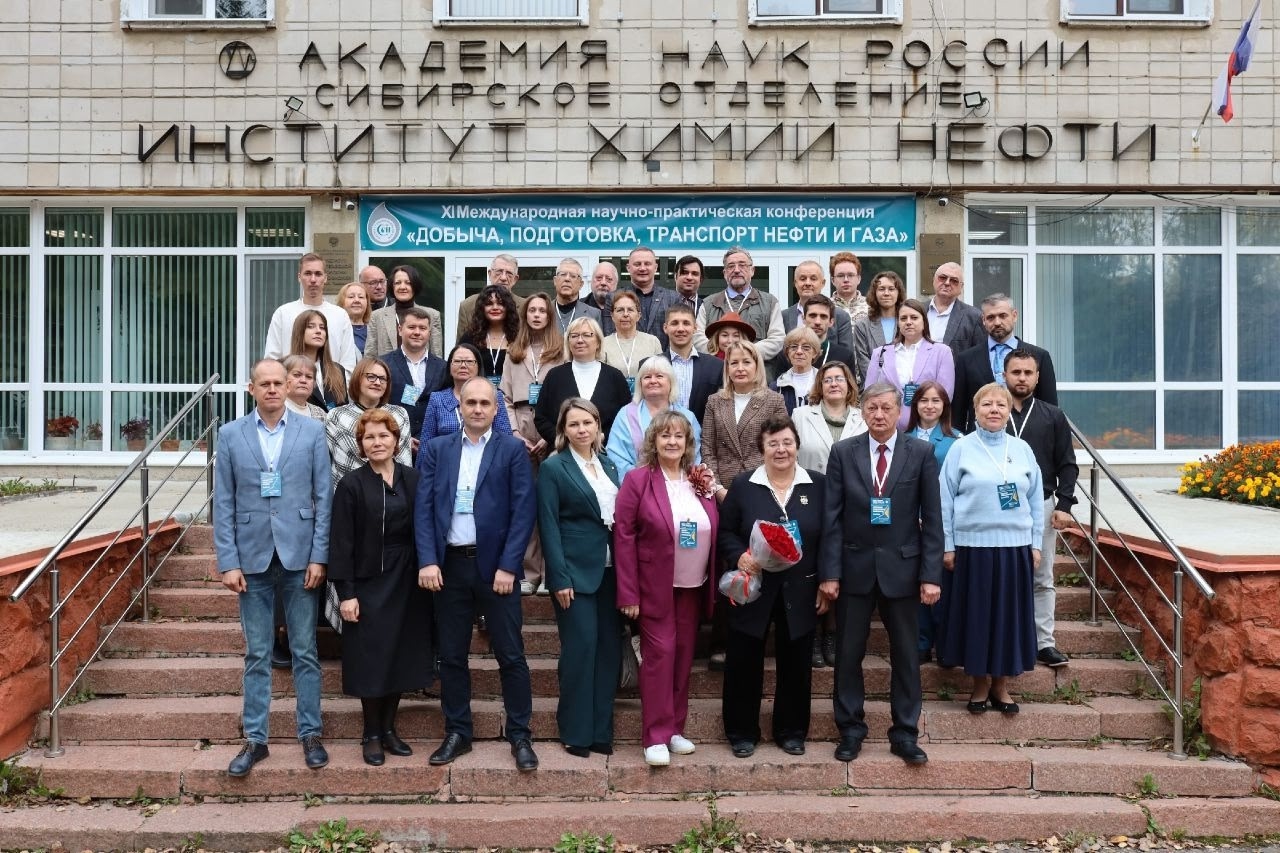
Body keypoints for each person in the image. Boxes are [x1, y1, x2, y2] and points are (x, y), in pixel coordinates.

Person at [213, 359, 331, 777]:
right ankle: (255, 740)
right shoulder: (230, 435)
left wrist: (319, 556)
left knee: (305, 651)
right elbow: (223, 502)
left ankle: (310, 733)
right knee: (258, 653)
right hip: (252, 558)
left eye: (278, 382)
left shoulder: (312, 432)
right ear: (251, 388)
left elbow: (324, 497)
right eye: (264, 383)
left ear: (287, 386)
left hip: (300, 556)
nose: (272, 389)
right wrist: (228, 562)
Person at [415, 377, 539, 771]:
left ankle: (520, 734)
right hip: (449, 567)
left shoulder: (511, 450)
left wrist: (509, 566)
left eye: (486, 403)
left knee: (511, 654)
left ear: (496, 409)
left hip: (495, 569)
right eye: (471, 402)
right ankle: (458, 732)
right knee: (451, 655)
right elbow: (424, 508)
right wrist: (428, 560)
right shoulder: (438, 449)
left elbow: (523, 511)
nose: (478, 409)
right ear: (460, 408)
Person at [818, 381, 942, 766]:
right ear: (862, 410)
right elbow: (831, 518)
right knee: (848, 654)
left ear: (899, 411)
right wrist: (830, 572)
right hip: (853, 567)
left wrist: (931, 575)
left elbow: (933, 519)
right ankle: (850, 730)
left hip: (903, 569)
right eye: (872, 408)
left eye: (887, 408)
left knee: (906, 655)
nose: (879, 415)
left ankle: (905, 733)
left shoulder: (921, 453)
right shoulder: (843, 452)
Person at [717, 416, 826, 758]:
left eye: (787, 442)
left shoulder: (818, 485)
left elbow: (829, 536)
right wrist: (739, 556)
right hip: (754, 585)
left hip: (801, 587)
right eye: (773, 444)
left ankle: (791, 731)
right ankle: (741, 731)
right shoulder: (743, 485)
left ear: (797, 446)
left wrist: (827, 580)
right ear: (762, 449)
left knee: (796, 662)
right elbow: (725, 532)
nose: (781, 450)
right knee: (744, 659)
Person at [615, 411, 718, 767]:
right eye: (665, 436)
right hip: (654, 587)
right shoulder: (637, 480)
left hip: (693, 585)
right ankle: (655, 735)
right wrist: (628, 593)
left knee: (684, 657)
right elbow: (623, 537)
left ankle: (674, 729)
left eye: (679, 436)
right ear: (654, 441)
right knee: (660, 657)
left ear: (688, 443)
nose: (672, 441)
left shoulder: (698, 479)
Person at [329, 409, 432, 766]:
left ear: (396, 441)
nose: (377, 442)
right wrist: (346, 594)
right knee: (372, 657)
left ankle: (389, 729)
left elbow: (426, 526)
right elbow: (341, 542)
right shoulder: (351, 485)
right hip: (368, 581)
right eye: (369, 437)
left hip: (408, 580)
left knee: (400, 654)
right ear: (360, 445)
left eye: (384, 436)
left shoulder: (413, 478)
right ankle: (371, 733)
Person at [938, 382, 1044, 715]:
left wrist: (1036, 544)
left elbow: (1036, 499)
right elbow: (944, 500)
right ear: (975, 410)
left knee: (1007, 620)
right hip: (973, 549)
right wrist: (948, 545)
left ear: (1009, 410)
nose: (994, 409)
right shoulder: (961, 448)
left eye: (1001, 404)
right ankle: (979, 685)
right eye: (987, 404)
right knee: (978, 618)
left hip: (1015, 549)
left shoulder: (1022, 449)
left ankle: (1001, 685)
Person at [537, 398, 623, 758]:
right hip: (574, 573)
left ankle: (600, 732)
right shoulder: (553, 467)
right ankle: (575, 732)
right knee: (580, 650)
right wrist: (558, 578)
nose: (582, 429)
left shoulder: (609, 464)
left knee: (608, 651)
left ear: (598, 426)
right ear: (564, 430)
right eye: (573, 424)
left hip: (611, 573)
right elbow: (548, 525)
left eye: (587, 422)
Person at [1003, 350, 1078, 669]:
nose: (1021, 378)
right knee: (1002, 575)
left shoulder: (1053, 416)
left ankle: (1044, 642)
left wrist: (1064, 504)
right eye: (1015, 372)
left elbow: (1068, 464)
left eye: (1027, 373)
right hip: (996, 508)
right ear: (1004, 375)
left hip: (1042, 505)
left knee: (1042, 576)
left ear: (1037, 378)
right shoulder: (991, 411)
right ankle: (1006, 639)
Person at [792, 360, 867, 669]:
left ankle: (832, 633)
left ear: (850, 385)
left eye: (840, 379)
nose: (834, 384)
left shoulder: (863, 418)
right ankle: (811, 634)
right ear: (819, 386)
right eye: (828, 379)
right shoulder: (800, 415)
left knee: (839, 567)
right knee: (811, 565)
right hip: (810, 498)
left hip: (851, 503)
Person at [501, 292, 565, 596]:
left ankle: (552, 572)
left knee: (551, 505)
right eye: (532, 310)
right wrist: (515, 433)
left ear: (549, 317)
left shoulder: (560, 352)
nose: (537, 314)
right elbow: (504, 397)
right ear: (525, 315)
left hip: (551, 428)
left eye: (542, 310)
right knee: (525, 503)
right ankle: (530, 572)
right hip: (521, 426)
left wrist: (547, 437)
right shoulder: (514, 352)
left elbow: (566, 398)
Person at [905, 380, 960, 663]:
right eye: (924, 400)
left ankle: (945, 644)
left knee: (940, 583)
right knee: (916, 583)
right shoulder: (901, 437)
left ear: (944, 406)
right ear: (915, 405)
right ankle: (921, 642)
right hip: (909, 523)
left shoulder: (957, 441)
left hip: (942, 522)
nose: (929, 406)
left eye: (936, 401)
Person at [952, 293, 1059, 433]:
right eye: (991, 317)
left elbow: (1049, 407)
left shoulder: (1040, 356)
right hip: (980, 438)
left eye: (1003, 316)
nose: (997, 322)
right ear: (983, 320)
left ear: (1014, 316)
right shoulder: (966, 359)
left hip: (1028, 436)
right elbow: (958, 412)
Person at [702, 340, 789, 504]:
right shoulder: (714, 401)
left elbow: (782, 446)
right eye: (734, 363)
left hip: (764, 487)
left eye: (746, 362)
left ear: (757, 366)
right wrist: (718, 489)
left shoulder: (774, 401)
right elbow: (708, 449)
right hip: (724, 490)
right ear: (727, 368)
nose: (740, 368)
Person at [534, 317, 632, 446]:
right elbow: (541, 417)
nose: (580, 340)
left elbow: (626, 416)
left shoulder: (615, 376)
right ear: (568, 342)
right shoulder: (555, 376)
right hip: (563, 451)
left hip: (605, 450)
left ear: (598, 342)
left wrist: (603, 437)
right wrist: (564, 440)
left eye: (587, 335)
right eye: (574, 336)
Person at [864, 298, 955, 430]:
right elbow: (869, 394)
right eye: (903, 318)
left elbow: (945, 395)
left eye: (914, 317)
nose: (908, 322)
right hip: (888, 427)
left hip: (926, 427)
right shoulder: (880, 353)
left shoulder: (942, 352)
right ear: (898, 324)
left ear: (924, 322)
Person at [605, 356, 702, 479]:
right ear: (640, 383)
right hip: (637, 485)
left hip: (679, 484)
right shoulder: (625, 414)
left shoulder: (687, 416)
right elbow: (617, 457)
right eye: (647, 377)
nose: (653, 381)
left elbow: (694, 457)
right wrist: (643, 482)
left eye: (659, 376)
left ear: (671, 382)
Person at [324, 356, 413, 488]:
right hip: (350, 493)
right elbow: (330, 463)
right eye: (371, 377)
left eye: (382, 378)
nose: (377, 382)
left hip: (391, 491)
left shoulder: (399, 414)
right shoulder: (336, 416)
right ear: (357, 379)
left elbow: (404, 460)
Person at [264, 253, 358, 373]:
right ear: (299, 277)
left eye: (318, 274)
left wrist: (339, 384)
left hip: (330, 383)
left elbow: (348, 362)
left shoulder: (340, 315)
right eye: (308, 273)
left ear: (325, 278)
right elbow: (272, 359)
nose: (313, 280)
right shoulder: (283, 313)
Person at [694, 247, 785, 363]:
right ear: (725, 273)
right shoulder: (708, 303)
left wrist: (744, 352)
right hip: (718, 370)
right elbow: (697, 337)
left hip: (759, 372)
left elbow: (777, 339)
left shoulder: (770, 302)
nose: (736, 270)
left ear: (752, 270)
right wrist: (719, 354)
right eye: (731, 266)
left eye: (742, 265)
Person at [383, 306, 448, 453]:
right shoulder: (383, 364)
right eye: (411, 327)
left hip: (432, 446)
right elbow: (378, 406)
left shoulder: (443, 367)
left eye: (422, 328)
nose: (417, 332)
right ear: (400, 330)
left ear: (429, 333)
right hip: (394, 445)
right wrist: (402, 438)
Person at [419, 343, 514, 444]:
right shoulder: (437, 399)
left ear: (478, 367)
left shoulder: (495, 395)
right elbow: (426, 443)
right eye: (457, 361)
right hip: (445, 454)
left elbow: (506, 438)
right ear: (449, 367)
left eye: (469, 361)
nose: (463, 365)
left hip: (488, 453)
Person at [662, 303, 724, 423]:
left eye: (686, 323)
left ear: (695, 328)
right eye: (674, 323)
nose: (680, 329)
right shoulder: (651, 365)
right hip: (661, 432)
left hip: (703, 433)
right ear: (665, 328)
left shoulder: (716, 366)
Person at [366, 265, 444, 360]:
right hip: (386, 369)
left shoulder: (432, 315)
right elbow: (369, 357)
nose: (402, 287)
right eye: (398, 283)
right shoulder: (377, 316)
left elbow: (436, 357)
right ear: (392, 286)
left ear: (415, 286)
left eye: (408, 283)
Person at [780, 260, 853, 351]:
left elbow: (846, 354)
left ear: (823, 283)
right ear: (795, 283)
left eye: (813, 279)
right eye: (803, 279)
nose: (807, 283)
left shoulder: (840, 316)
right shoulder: (784, 316)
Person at [852, 271, 906, 391]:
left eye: (891, 289)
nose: (886, 293)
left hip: (904, 388)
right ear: (874, 293)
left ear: (899, 293)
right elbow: (864, 364)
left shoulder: (907, 323)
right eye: (881, 289)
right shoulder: (862, 326)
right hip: (874, 390)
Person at [455, 253, 526, 343]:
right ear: (490, 274)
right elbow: (461, 347)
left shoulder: (526, 306)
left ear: (515, 279)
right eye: (499, 272)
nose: (503, 277)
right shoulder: (468, 305)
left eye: (509, 273)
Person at [601, 290, 663, 392]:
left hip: (646, 398)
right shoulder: (603, 344)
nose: (625, 314)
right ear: (612, 316)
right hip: (613, 397)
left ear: (638, 316)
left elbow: (661, 376)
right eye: (620, 310)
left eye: (630, 310)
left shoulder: (652, 342)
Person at [289, 309, 347, 411]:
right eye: (311, 326)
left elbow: (343, 410)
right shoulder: (285, 367)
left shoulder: (338, 370)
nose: (318, 331)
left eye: (322, 327)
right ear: (299, 332)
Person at [462, 283, 521, 383]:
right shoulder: (470, 337)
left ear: (508, 307)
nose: (495, 307)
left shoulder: (520, 336)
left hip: (511, 392)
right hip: (477, 390)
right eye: (489, 304)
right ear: (482, 308)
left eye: (500, 303)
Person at [924, 261, 984, 357]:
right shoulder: (917, 311)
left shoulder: (974, 317)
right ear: (934, 280)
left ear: (961, 287)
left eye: (954, 280)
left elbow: (980, 354)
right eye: (942, 278)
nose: (947, 283)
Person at [626, 246, 680, 348]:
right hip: (626, 357)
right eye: (637, 264)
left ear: (655, 267)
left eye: (647, 264)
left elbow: (677, 334)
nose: (642, 268)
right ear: (628, 268)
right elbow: (610, 334)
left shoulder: (673, 298)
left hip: (664, 357)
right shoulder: (614, 298)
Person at [772, 326, 822, 415]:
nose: (799, 351)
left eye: (806, 348)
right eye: (794, 347)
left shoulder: (824, 383)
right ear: (787, 352)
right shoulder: (776, 387)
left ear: (815, 353)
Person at [801, 295, 857, 375]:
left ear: (831, 322)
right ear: (803, 319)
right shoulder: (790, 354)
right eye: (812, 316)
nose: (817, 322)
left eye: (823, 316)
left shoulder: (845, 356)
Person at [551, 259, 601, 335]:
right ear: (555, 281)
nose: (567, 279)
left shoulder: (593, 314)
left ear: (581, 284)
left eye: (573, 276)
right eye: (563, 274)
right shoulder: (544, 311)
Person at [282, 355, 327, 422]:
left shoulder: (321, 414)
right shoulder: (275, 409)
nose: (303, 380)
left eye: (309, 377)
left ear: (314, 383)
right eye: (297, 375)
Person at [830, 251, 870, 324]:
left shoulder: (871, 307)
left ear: (859, 279)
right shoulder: (824, 307)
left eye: (850, 275)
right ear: (833, 280)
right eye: (840, 275)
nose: (846, 280)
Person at [584, 261, 618, 336]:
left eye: (609, 279)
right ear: (591, 281)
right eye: (599, 278)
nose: (603, 283)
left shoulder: (623, 309)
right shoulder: (579, 307)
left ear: (616, 284)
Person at [337, 282, 370, 355]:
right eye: (351, 297)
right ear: (342, 302)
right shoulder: (335, 329)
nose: (357, 300)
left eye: (361, 297)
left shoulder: (374, 329)